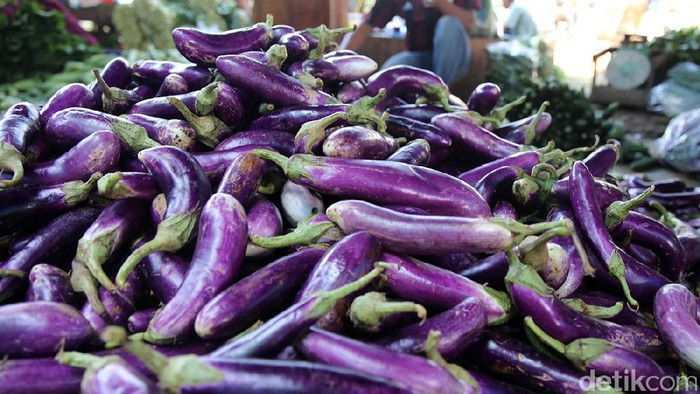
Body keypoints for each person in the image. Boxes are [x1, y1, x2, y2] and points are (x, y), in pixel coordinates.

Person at [340, 0, 482, 85]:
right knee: (387, 73)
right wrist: (338, 56)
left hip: (455, 59)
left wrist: (441, 4)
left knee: (448, 24)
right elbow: (367, 25)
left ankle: (440, 93)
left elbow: (470, 22)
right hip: (420, 57)